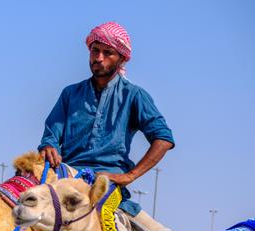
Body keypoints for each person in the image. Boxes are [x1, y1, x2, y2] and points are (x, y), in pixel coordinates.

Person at [38, 21, 174, 218]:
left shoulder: (134, 95)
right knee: (25, 208)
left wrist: (129, 176)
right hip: (66, 176)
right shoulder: (70, 94)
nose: (98, 58)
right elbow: (51, 136)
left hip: (106, 183)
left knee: (107, 224)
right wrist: (49, 146)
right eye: (95, 51)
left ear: (121, 59)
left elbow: (163, 138)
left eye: (107, 53)